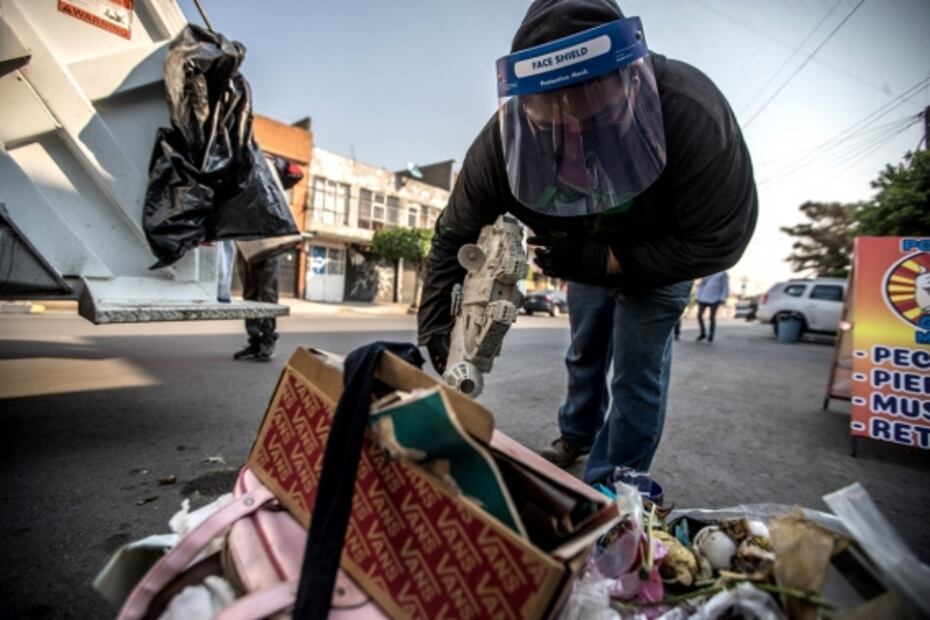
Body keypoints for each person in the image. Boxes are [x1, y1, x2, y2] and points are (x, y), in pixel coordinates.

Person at [417, 0, 757, 485]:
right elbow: (455, 231)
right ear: (522, 104)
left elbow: (719, 241)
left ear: (632, 83)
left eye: (598, 120)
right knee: (584, 352)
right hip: (579, 257)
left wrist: (608, 259)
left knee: (636, 373)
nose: (575, 142)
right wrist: (433, 318)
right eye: (552, 126)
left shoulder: (689, 110)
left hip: (658, 259)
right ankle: (576, 436)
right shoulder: (500, 144)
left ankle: (611, 491)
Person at [695, 271, 729, 342]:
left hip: (715, 298)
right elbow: (702, 285)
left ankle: (711, 335)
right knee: (699, 315)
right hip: (703, 296)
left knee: (711, 317)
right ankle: (703, 333)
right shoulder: (709, 271)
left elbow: (725, 286)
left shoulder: (723, 273)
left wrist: (723, 298)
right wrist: (698, 296)